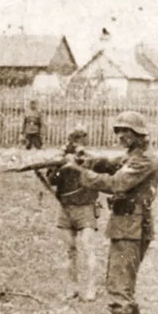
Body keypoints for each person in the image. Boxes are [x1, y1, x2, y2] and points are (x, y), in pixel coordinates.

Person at [62, 111, 158, 314]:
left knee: (118, 285)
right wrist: (90, 160)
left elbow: (116, 183)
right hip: (126, 226)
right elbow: (114, 163)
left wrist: (80, 172)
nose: (121, 136)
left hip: (132, 228)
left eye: (126, 131)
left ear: (139, 134)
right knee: (122, 282)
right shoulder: (134, 156)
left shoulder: (144, 161)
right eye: (118, 131)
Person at [46, 126, 100, 302]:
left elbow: (96, 175)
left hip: (85, 208)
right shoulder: (61, 160)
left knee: (87, 248)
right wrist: (60, 163)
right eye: (74, 140)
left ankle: (91, 289)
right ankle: (72, 288)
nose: (77, 144)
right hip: (66, 208)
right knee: (70, 251)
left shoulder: (90, 159)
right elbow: (52, 180)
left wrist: (79, 162)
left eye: (80, 139)